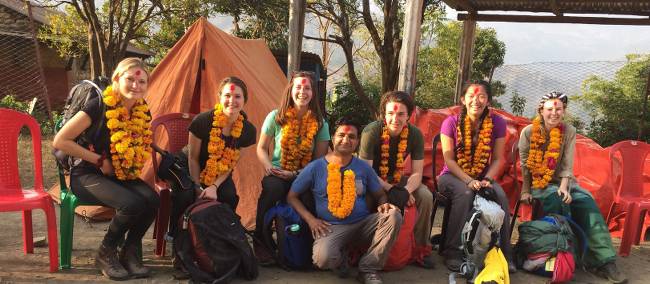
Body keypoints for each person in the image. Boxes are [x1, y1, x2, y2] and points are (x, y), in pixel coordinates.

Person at [53, 57, 159, 280]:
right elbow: (61, 141)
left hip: (118, 173)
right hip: (85, 174)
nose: (135, 86)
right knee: (132, 203)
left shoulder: (142, 110)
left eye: (142, 83)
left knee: (152, 199)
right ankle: (105, 252)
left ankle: (129, 251)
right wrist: (99, 161)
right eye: (130, 79)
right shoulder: (99, 105)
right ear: (117, 79)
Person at [518, 91, 627, 284]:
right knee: (557, 200)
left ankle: (604, 261)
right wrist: (526, 191)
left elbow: (568, 165)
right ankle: (564, 256)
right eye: (549, 109)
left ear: (564, 111)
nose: (554, 113)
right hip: (539, 183)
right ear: (541, 110)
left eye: (558, 109)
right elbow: (526, 167)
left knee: (587, 202)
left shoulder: (568, 131)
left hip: (566, 181)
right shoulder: (528, 132)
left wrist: (565, 186)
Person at [287, 118, 402, 284]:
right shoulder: (315, 167)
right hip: (331, 227)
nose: (346, 140)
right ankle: (342, 260)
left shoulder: (363, 167)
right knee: (322, 259)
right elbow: (291, 196)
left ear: (357, 142)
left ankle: (368, 269)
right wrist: (311, 220)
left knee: (393, 215)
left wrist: (383, 203)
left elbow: (380, 195)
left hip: (362, 224)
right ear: (333, 138)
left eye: (352, 137)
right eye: (341, 135)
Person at [437, 80, 513, 272]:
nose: (475, 101)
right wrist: (469, 180)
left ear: (488, 101)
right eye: (471, 96)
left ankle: (504, 254)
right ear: (463, 99)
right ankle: (452, 251)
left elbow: (498, 159)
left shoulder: (497, 122)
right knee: (465, 193)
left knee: (501, 196)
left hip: (483, 177)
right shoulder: (450, 122)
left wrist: (487, 179)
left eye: (481, 96)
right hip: (452, 176)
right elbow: (449, 160)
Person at [254, 71, 330, 261]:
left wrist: (297, 173)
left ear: (313, 93)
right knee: (272, 188)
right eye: (298, 87)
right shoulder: (276, 116)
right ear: (291, 90)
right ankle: (261, 241)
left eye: (307, 88)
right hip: (278, 172)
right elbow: (261, 148)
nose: (302, 92)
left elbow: (319, 161)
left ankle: (307, 244)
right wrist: (269, 166)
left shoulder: (320, 123)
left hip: (306, 173)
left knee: (308, 194)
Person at [358, 91, 435, 268]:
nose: (395, 119)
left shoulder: (415, 134)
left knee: (425, 196)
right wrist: (390, 190)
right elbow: (365, 171)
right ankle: (363, 248)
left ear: (409, 115)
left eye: (401, 114)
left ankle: (419, 250)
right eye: (390, 113)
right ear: (383, 114)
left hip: (399, 180)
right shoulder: (371, 131)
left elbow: (417, 172)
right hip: (371, 179)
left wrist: (404, 191)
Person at [186, 76, 257, 209]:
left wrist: (214, 186)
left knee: (228, 196)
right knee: (185, 195)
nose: (232, 101)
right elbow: (193, 158)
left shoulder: (248, 131)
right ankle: (178, 229)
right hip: (190, 168)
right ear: (220, 97)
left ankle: (222, 229)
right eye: (227, 95)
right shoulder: (202, 121)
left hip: (220, 172)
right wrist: (197, 188)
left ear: (244, 100)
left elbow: (231, 164)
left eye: (237, 96)